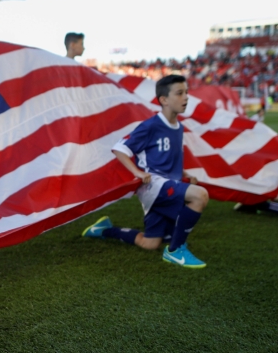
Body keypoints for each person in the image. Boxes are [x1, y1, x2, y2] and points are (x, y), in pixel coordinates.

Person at [82, 74, 210, 269]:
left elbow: (169, 157)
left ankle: (103, 230)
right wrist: (138, 173)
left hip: (168, 184)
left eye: (186, 92)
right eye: (180, 93)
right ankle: (176, 250)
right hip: (154, 186)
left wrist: (184, 174)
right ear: (164, 100)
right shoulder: (150, 126)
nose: (186, 98)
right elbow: (120, 148)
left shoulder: (179, 127)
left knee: (149, 244)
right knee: (200, 196)